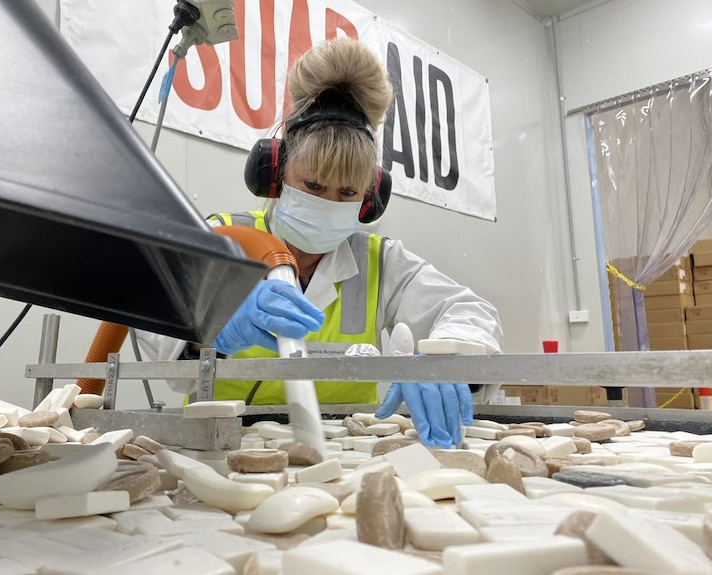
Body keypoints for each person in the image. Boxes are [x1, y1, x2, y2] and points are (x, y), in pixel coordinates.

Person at [137, 37, 502, 449]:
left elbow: (471, 312)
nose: (328, 202)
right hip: (222, 452)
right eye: (312, 185)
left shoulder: (379, 262)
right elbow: (160, 347)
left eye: (347, 193)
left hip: (349, 455)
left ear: (369, 199)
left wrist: (444, 362)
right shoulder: (221, 237)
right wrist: (210, 328)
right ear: (276, 173)